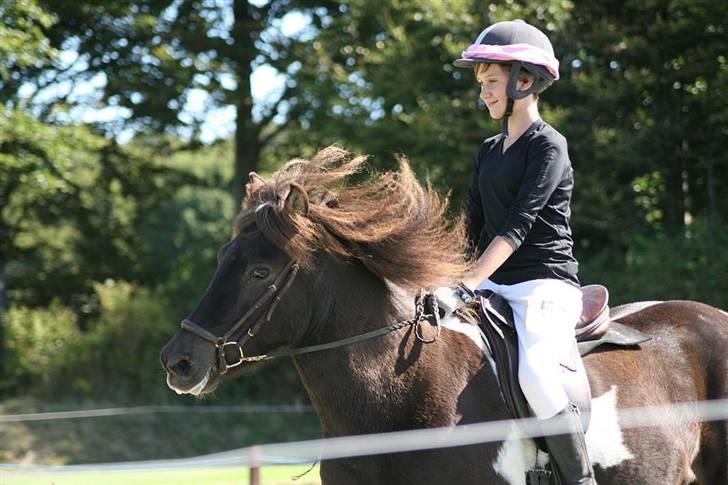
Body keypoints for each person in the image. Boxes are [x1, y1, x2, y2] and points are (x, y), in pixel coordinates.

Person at [435, 19, 596, 484]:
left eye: (490, 82)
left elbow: (517, 227)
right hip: (492, 281)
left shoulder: (549, 146)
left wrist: (466, 282)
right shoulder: (489, 150)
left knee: (538, 377)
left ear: (523, 80)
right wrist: (438, 274)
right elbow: (471, 224)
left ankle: (580, 478)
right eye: (481, 83)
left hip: (545, 282)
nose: (483, 93)